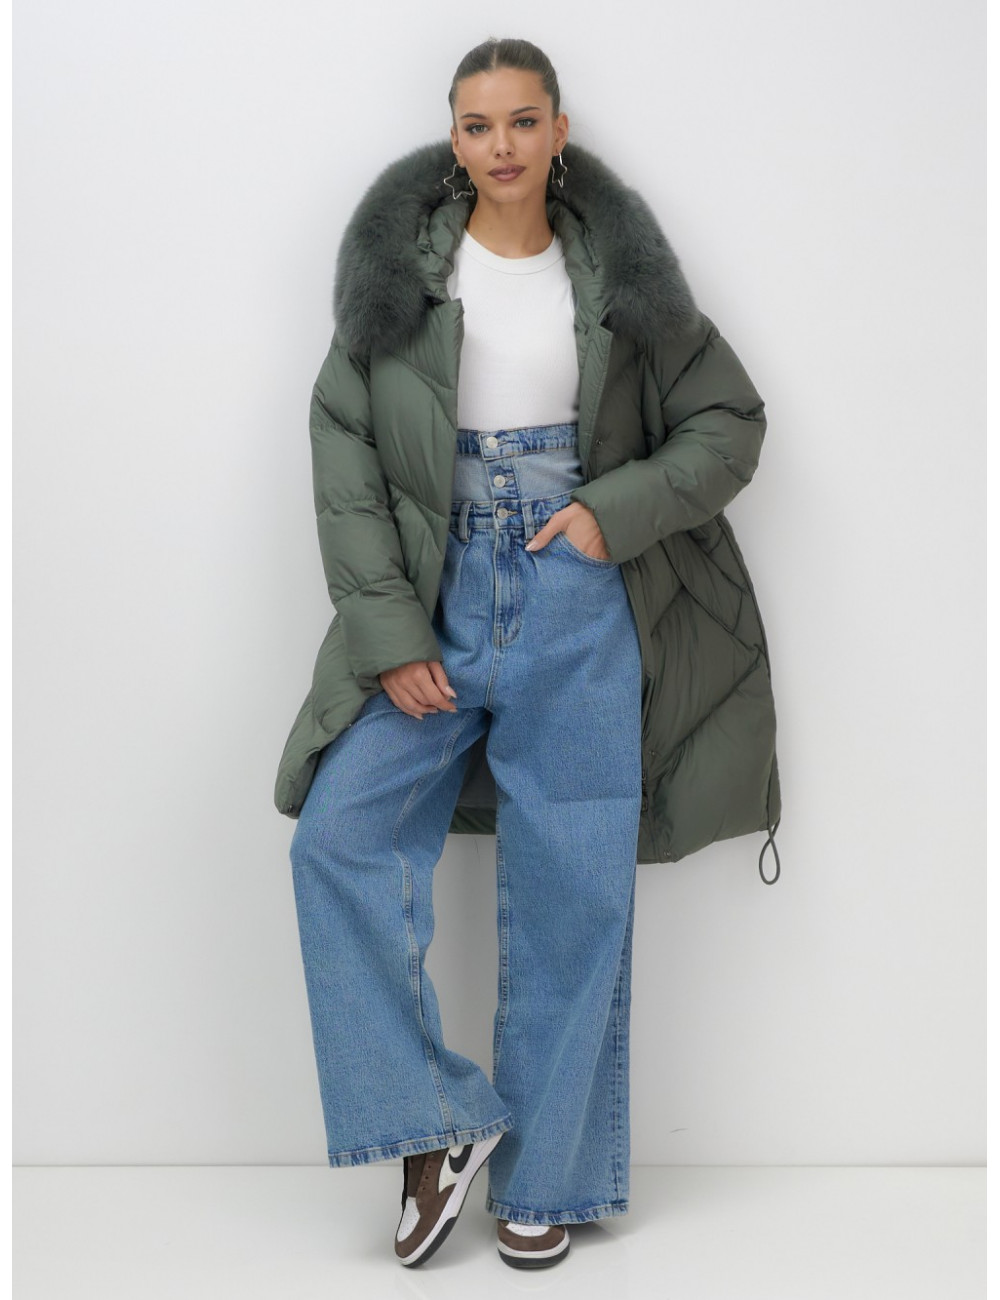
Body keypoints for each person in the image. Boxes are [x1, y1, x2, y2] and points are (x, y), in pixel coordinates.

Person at [275, 36, 781, 1272]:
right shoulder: (403, 277)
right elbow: (345, 449)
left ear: (559, 130)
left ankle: (548, 1178)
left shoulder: (620, 277)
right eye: (475, 124)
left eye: (519, 120)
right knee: (338, 836)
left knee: (572, 889)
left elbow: (729, 420)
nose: (498, 145)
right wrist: (391, 633)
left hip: (575, 588)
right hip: (437, 588)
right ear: (453, 139)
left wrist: (615, 510)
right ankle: (436, 1122)